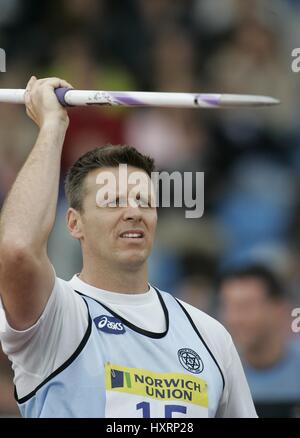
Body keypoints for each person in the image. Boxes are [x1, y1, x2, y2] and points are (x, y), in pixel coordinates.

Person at [0, 77, 256, 418]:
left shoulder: (210, 336)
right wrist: (52, 126)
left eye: (143, 200)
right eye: (113, 201)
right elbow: (17, 249)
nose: (133, 212)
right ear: (74, 223)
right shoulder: (57, 318)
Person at [218, 265, 300, 418]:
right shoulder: (216, 374)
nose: (235, 318)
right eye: (228, 306)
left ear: (279, 309)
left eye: (245, 307)